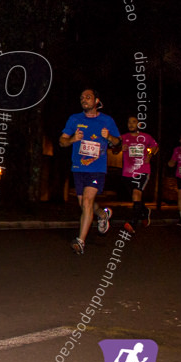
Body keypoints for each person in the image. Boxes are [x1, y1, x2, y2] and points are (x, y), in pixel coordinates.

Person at [60, 89, 120, 254]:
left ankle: (80, 241)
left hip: (97, 169)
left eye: (88, 97)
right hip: (79, 168)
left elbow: (118, 144)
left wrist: (109, 137)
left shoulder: (107, 120)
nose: (84, 100)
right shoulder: (75, 119)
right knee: (84, 204)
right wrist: (72, 139)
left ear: (96, 101)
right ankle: (102, 214)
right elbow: (62, 141)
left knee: (86, 201)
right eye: (81, 98)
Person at [115, 116, 158, 232]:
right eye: (129, 122)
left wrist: (150, 155)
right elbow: (114, 149)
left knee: (136, 194)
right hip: (127, 173)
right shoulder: (123, 137)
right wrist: (119, 148)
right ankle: (145, 212)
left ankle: (132, 224)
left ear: (138, 124)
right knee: (135, 198)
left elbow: (155, 146)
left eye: (134, 122)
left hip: (142, 170)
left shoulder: (145, 137)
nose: (131, 124)